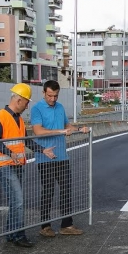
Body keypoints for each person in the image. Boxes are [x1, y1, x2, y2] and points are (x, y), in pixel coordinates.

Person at [0, 83, 55, 248]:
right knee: (18, 201)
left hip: (17, 165)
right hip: (4, 165)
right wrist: (9, 153)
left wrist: (42, 150)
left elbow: (26, 142)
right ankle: (19, 234)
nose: (27, 106)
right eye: (26, 103)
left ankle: (11, 233)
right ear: (18, 100)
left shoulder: (19, 120)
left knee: (14, 201)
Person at [31, 80, 89, 238]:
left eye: (55, 96)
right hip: (45, 157)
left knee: (66, 190)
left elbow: (67, 126)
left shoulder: (60, 107)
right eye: (50, 95)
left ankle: (67, 225)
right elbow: (38, 131)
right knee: (48, 191)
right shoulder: (37, 108)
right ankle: (45, 225)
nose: (52, 99)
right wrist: (61, 131)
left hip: (62, 156)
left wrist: (78, 129)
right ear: (44, 93)